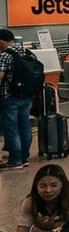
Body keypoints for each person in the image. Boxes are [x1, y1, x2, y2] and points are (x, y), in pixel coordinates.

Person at [15, 164, 69, 232]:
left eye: (54, 185)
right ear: (36, 186)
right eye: (42, 186)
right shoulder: (30, 201)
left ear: (62, 185)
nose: (48, 190)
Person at [0, 29, 37, 170]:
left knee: (11, 128)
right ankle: (24, 157)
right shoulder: (27, 52)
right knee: (25, 126)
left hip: (9, 97)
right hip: (26, 96)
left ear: (1, 42)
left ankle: (15, 160)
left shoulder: (5, 55)